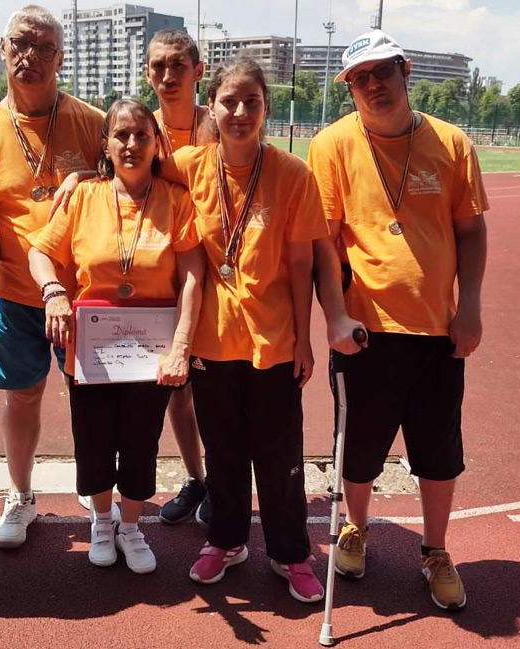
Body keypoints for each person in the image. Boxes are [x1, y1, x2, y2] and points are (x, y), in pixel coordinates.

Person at [308, 30, 489, 611]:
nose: (373, 85)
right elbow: (325, 243)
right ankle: (356, 528)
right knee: (359, 448)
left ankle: (435, 550)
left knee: (438, 450)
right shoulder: (331, 145)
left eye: (382, 71)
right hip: (365, 331)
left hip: (437, 329)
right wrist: (335, 316)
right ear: (350, 88)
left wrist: (470, 306)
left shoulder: (452, 142)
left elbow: (470, 229)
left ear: (405, 70)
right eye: (359, 78)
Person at [165, 58, 329, 603]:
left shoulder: (292, 174)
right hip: (212, 341)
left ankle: (290, 552)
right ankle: (226, 540)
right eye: (229, 101)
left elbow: (302, 262)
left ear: (265, 107)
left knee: (280, 456)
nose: (239, 112)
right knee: (224, 451)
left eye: (251, 102)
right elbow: (126, 166)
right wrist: (77, 179)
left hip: (274, 340)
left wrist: (304, 338)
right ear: (210, 107)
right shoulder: (188, 165)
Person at [28, 99, 204, 573]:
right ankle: (102, 521)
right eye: (121, 135)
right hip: (92, 350)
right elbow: (39, 253)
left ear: (157, 143)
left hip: (152, 352)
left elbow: (192, 276)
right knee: (94, 441)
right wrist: (54, 293)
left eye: (141, 135)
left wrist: (182, 346)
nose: (131, 144)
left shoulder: (176, 200)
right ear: (105, 144)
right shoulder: (84, 197)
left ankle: (131, 526)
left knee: (142, 442)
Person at [0, 5, 105, 550]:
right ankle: (21, 495)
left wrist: (87, 174)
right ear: (2, 48)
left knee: (91, 399)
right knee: (21, 397)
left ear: (61, 58)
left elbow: (128, 181)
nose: (31, 57)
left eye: (45, 48)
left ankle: (97, 488)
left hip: (83, 294)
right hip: (13, 294)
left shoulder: (92, 122)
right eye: (21, 43)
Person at [142, 28, 217, 527]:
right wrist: (77, 177)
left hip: (220, 274)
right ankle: (197, 478)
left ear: (198, 71)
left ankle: (225, 478)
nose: (168, 76)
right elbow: (110, 170)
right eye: (158, 66)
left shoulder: (220, 124)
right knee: (176, 387)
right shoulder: (141, 126)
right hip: (164, 275)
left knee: (216, 388)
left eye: (178, 65)